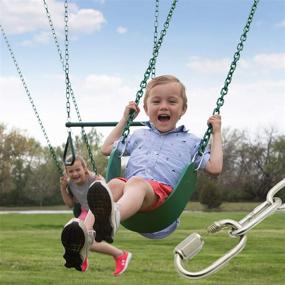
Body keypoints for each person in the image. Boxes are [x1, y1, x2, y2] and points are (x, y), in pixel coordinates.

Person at [85, 74, 223, 243]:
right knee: (113, 185)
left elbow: (215, 167)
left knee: (136, 183)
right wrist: (124, 120)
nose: (163, 106)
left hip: (162, 201)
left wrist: (216, 133)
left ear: (183, 109)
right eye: (156, 102)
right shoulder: (139, 135)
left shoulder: (191, 142)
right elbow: (107, 148)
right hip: (130, 194)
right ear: (146, 108)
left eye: (171, 102)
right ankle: (84, 232)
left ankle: (112, 217)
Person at [60, 155, 132, 276]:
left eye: (78, 170)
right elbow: (70, 204)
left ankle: (120, 255)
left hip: (98, 211)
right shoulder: (70, 184)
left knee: (89, 241)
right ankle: (82, 256)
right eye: (71, 171)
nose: (75, 174)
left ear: (85, 168)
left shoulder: (94, 178)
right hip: (84, 212)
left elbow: (107, 195)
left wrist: (102, 182)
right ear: (67, 173)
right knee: (75, 236)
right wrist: (63, 188)